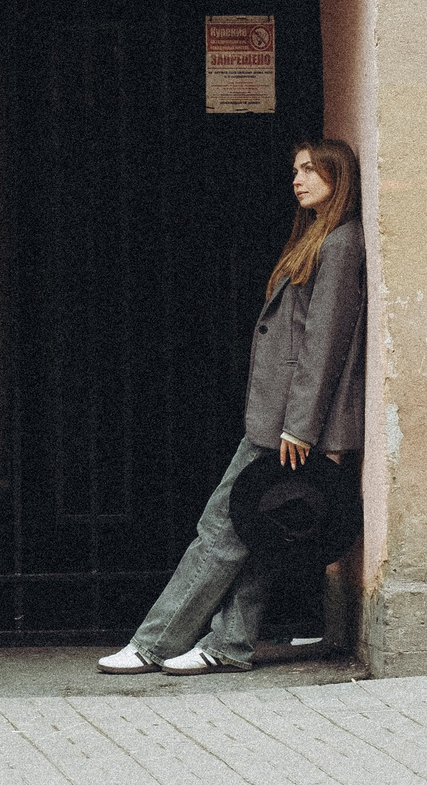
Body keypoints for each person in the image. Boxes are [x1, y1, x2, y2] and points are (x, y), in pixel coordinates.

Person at [98, 137, 367, 676]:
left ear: (338, 177)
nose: (298, 179)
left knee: (220, 530)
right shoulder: (320, 236)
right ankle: (229, 644)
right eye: (296, 170)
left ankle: (153, 644)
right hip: (285, 421)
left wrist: (300, 426)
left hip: (289, 426)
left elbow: (324, 343)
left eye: (310, 170)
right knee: (261, 531)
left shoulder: (339, 244)